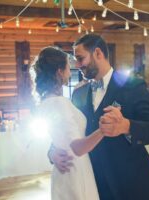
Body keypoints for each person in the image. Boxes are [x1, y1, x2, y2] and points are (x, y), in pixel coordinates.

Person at [49, 34, 149, 200]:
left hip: (132, 185)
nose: (77, 65)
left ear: (98, 53)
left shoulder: (132, 85)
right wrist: (52, 152)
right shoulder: (78, 93)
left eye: (80, 58)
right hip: (95, 186)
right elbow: (67, 129)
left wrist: (126, 126)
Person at [34, 46, 101, 200]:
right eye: (68, 67)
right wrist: (103, 129)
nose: (72, 71)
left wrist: (53, 151)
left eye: (80, 59)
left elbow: (62, 135)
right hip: (75, 168)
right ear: (59, 71)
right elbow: (75, 145)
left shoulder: (48, 102)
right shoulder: (61, 102)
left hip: (71, 168)